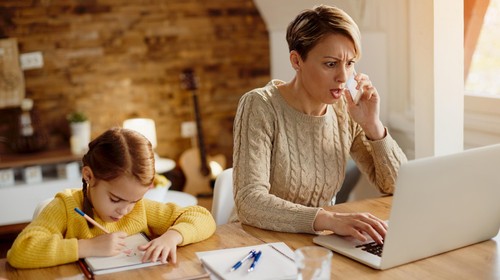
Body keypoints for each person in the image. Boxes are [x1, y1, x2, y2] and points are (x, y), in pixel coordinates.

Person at [232, 5, 407, 245]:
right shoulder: (260, 105)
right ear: (296, 60)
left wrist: (372, 125)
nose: (344, 77)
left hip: (315, 243)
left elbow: (398, 186)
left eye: (350, 63)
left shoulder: (346, 111)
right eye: (331, 64)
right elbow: (249, 202)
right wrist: (328, 219)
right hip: (257, 243)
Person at [7, 127, 216, 269]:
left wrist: (173, 236)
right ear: (89, 176)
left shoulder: (139, 208)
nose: (125, 210)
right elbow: (20, 251)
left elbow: (202, 216)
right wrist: (87, 247)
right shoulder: (65, 207)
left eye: (133, 200)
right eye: (116, 200)